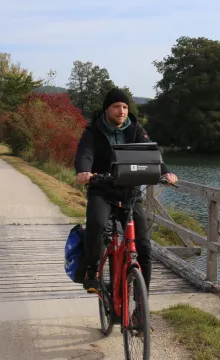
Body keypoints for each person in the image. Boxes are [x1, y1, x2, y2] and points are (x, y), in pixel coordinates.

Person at [74, 87, 178, 293]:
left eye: (124, 107)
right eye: (116, 107)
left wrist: (165, 172)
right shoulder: (93, 131)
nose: (121, 111)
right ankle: (92, 270)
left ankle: (142, 304)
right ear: (106, 110)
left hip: (129, 193)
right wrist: (84, 171)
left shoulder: (135, 129)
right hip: (102, 190)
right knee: (96, 223)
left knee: (144, 246)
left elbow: (151, 152)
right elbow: (85, 153)